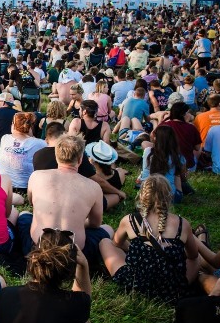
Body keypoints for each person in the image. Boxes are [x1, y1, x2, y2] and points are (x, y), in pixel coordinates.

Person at [100, 175, 199, 305]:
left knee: (105, 242)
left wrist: (138, 249)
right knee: (197, 259)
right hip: (170, 289)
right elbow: (193, 255)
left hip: (136, 284)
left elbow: (116, 243)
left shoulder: (129, 220)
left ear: (142, 196)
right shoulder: (182, 224)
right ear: (169, 197)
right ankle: (182, 285)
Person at [19, 134, 110, 272]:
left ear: (56, 157)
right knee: (108, 229)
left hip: (38, 247)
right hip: (73, 254)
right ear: (80, 160)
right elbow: (95, 224)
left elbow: (33, 205)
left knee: (25, 214)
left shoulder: (36, 176)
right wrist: (77, 222)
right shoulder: (94, 187)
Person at [0, 111, 46, 193]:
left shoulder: (4, 138)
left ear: (13, 125)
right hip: (24, 187)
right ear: (30, 127)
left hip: (2, 185)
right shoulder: (39, 143)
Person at [139, 125, 187, 202]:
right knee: (177, 174)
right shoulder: (178, 156)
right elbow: (183, 177)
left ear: (155, 139)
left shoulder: (148, 152)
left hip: (147, 195)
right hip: (170, 198)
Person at [85, 140, 128, 210]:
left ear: (92, 160)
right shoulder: (120, 173)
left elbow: (101, 182)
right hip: (113, 192)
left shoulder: (91, 178)